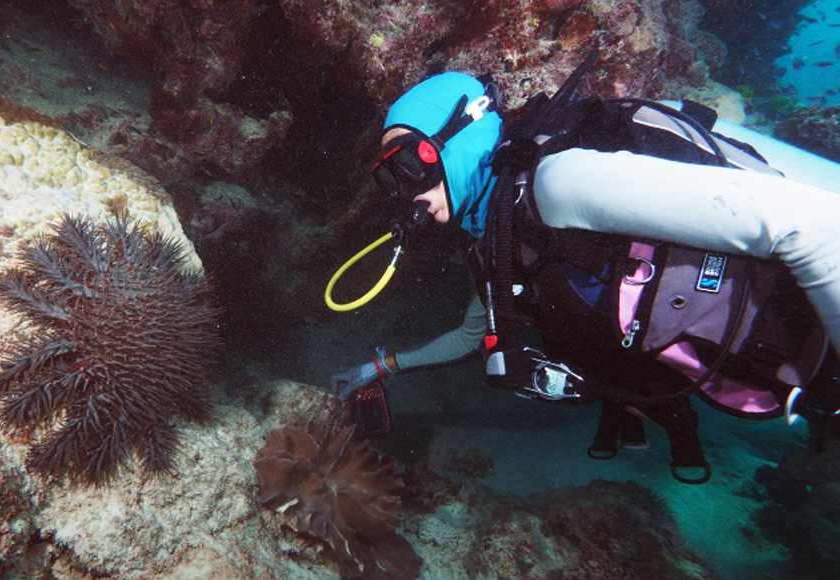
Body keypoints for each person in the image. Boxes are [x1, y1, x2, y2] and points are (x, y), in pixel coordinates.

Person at [330, 65, 840, 482]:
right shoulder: (497, 233)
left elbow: (813, 227)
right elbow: (470, 335)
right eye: (388, 179)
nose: (404, 193)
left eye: (409, 167)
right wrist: (381, 367)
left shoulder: (559, 182)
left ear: (458, 138)